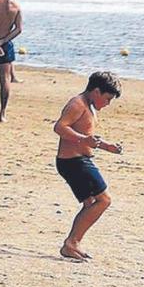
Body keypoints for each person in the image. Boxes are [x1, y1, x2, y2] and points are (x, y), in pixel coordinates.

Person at [53, 72, 123, 261]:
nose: (108, 104)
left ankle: (72, 244)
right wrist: (85, 140)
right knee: (104, 200)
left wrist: (106, 146)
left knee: (91, 203)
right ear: (96, 91)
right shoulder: (78, 103)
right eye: (107, 99)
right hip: (74, 162)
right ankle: (72, 242)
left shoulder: (89, 105)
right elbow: (60, 127)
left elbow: (87, 136)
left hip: (77, 160)